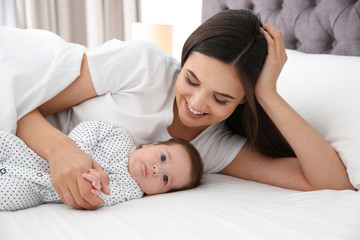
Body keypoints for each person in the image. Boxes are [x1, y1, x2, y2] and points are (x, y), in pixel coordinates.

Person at [1, 9, 354, 210]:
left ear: (244, 99)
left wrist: (269, 95)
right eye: (192, 79)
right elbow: (25, 107)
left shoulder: (215, 148)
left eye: (222, 99)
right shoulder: (143, 65)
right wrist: (63, 151)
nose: (197, 105)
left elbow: (332, 182)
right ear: (183, 61)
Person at [0, 121, 203, 211]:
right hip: (35, 156)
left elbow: (100, 199)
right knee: (5, 143)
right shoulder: (119, 137)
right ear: (153, 144)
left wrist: (94, 186)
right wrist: (79, 155)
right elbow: (90, 128)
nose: (158, 169)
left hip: (41, 189)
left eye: (165, 179)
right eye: (162, 158)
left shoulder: (131, 192)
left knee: (11, 193)